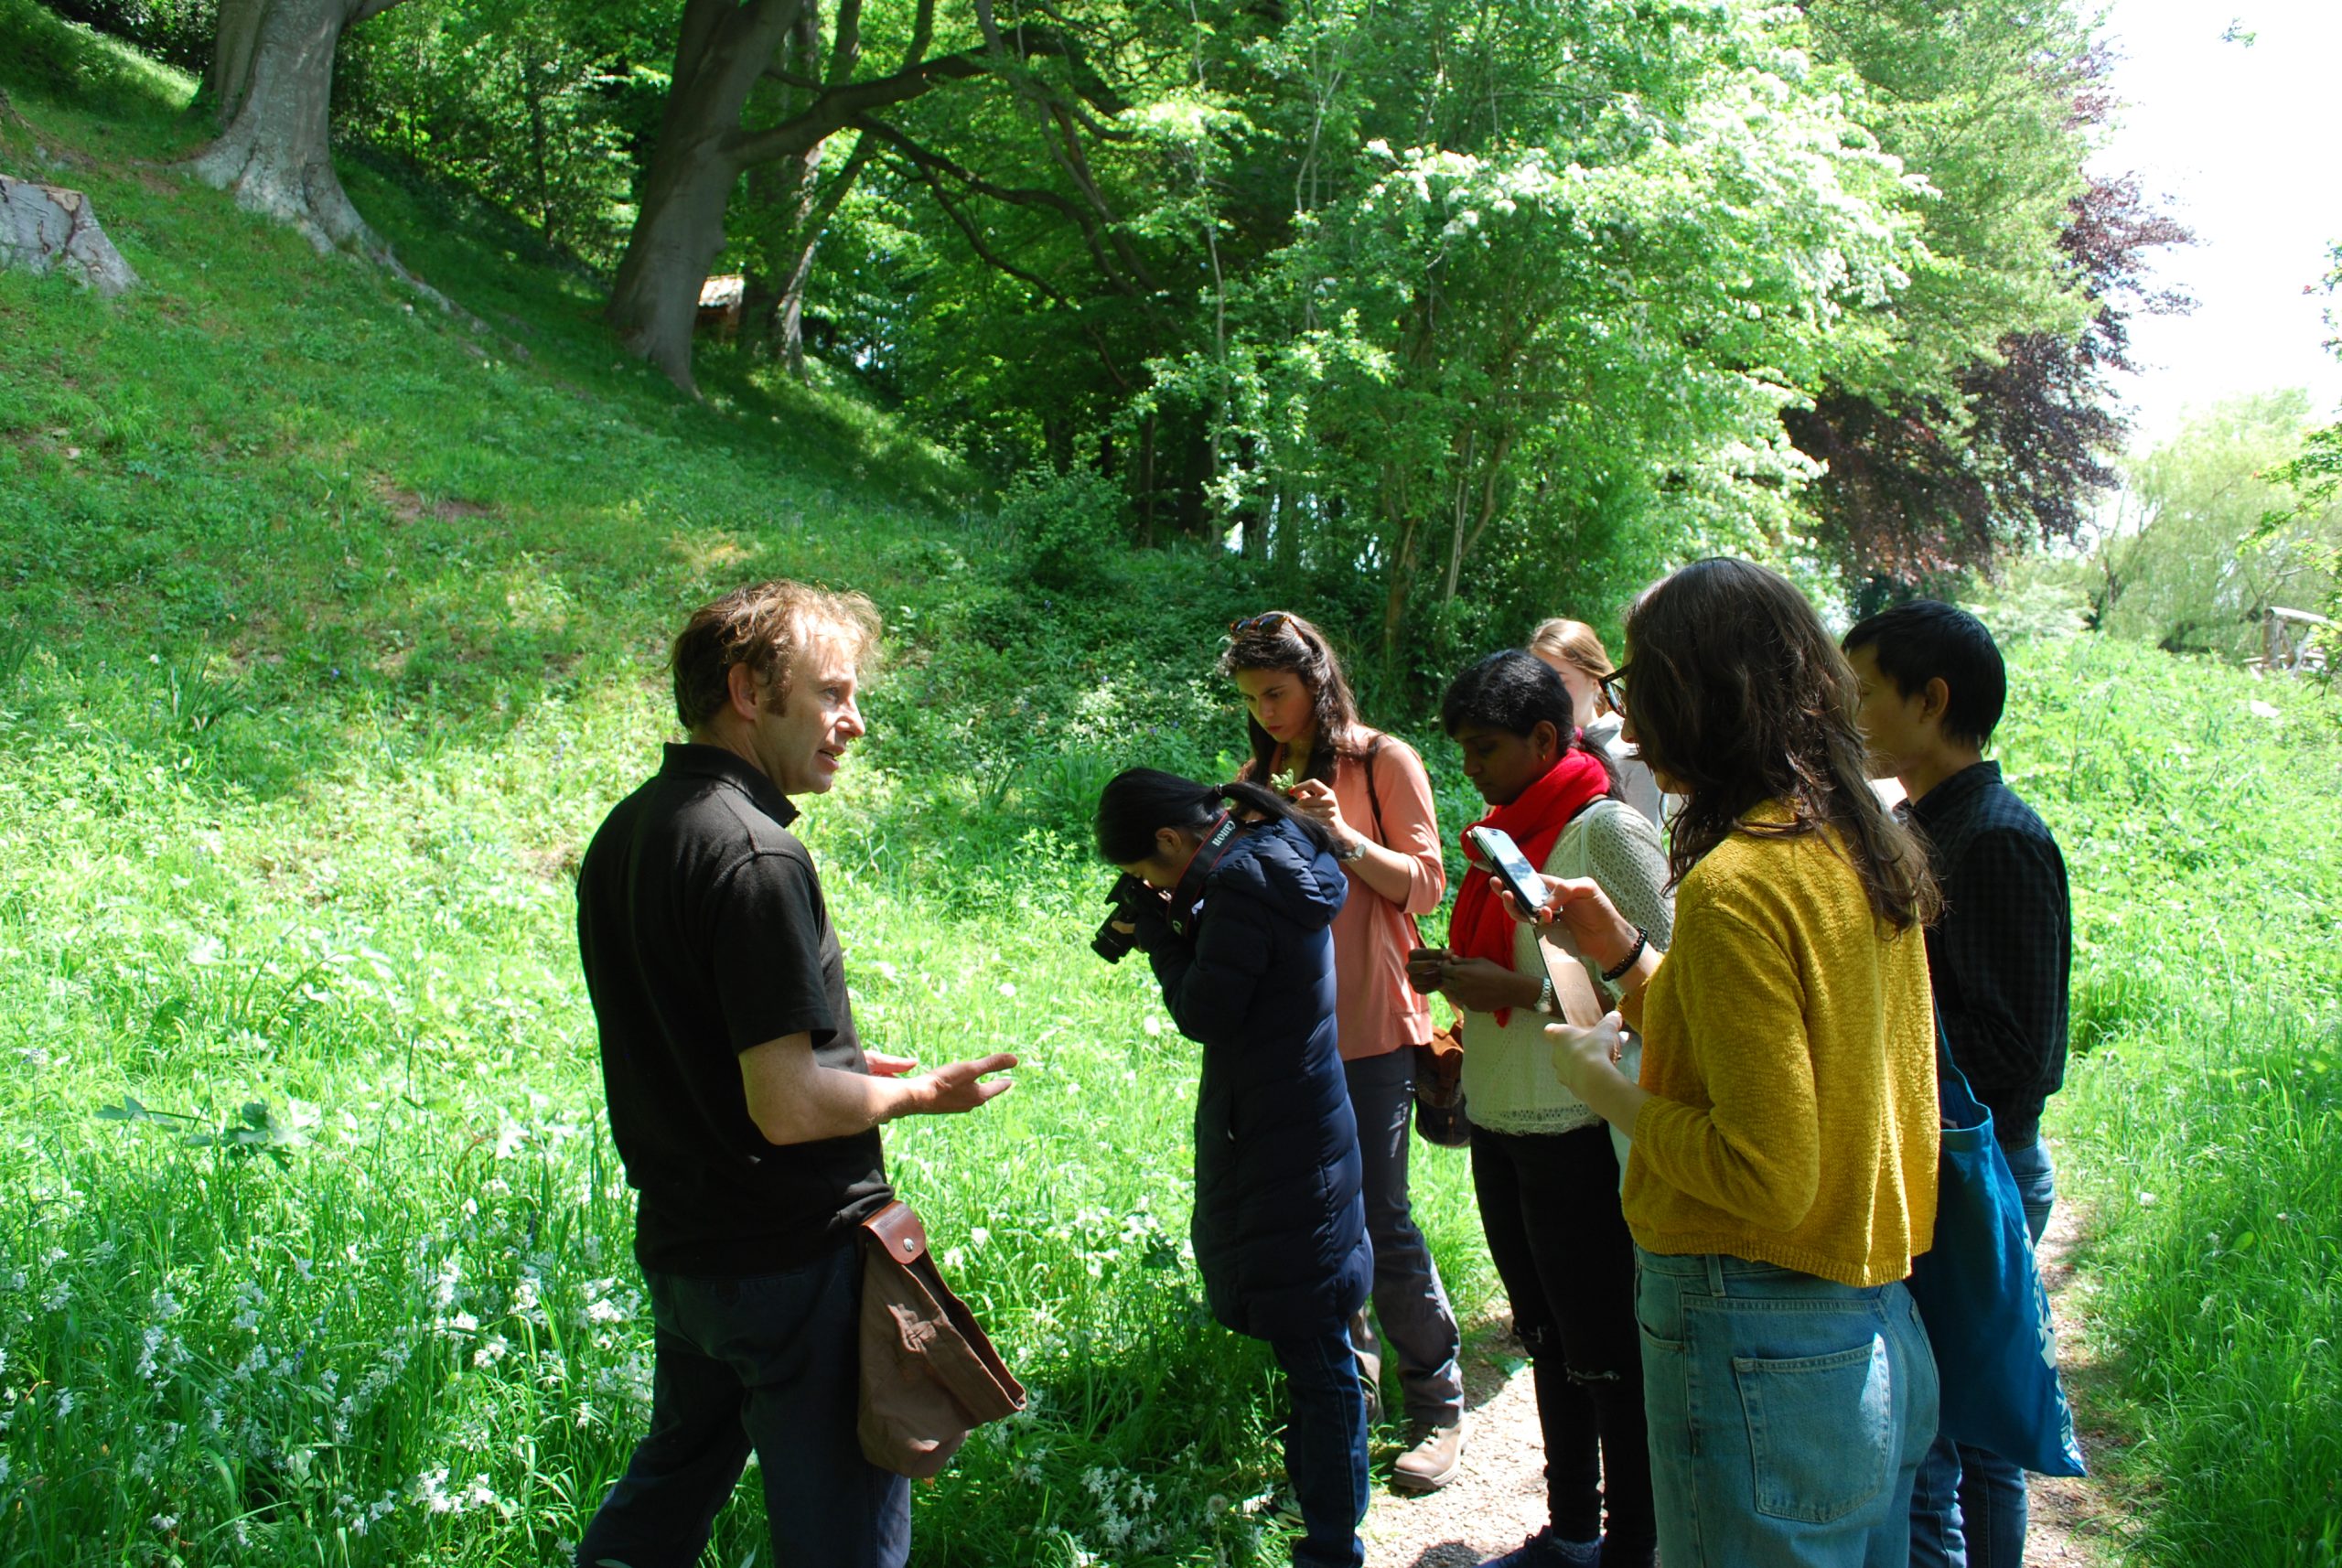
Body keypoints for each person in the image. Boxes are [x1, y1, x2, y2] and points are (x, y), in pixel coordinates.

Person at [573, 581, 1017, 1568]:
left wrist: (841, 1064)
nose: (852, 723)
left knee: (664, 1500)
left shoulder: (629, 832)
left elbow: (704, 1043)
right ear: (747, 690)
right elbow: (785, 1105)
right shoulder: (756, 856)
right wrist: (912, 1094)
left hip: (692, 1255)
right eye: (831, 694)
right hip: (790, 1261)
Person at [1514, 557, 1943, 1568]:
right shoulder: (1853, 841)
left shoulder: (1739, 881)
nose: (1620, 719)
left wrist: (1605, 1087)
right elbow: (1780, 1052)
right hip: (1868, 1320)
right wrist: (1624, 956)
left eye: (1635, 685)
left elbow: (1762, 1169)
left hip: (1756, 1329)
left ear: (1702, 692)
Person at [1409, 650, 1670, 1568]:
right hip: (1503, 1119)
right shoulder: (1499, 833)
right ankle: (1568, 1534)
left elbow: (1670, 991)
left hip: (1577, 1130)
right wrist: (1458, 974)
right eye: (1463, 750)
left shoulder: (1603, 831)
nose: (1470, 768)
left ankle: (1634, 1545)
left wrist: (1510, 982)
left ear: (1546, 738)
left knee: (1608, 1357)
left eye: (1485, 748)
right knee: (1549, 1341)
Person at [1096, 768, 1375, 1568]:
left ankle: (1332, 1546)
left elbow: (1205, 1012)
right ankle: (1329, 1521)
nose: (1151, 886)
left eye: (1152, 872)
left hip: (1287, 1144)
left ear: (1171, 841)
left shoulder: (1244, 885)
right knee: (1317, 1343)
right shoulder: (1273, 843)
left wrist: (1155, 933)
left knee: (1317, 1354)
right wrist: (1176, 911)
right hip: (1302, 1124)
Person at [1842, 600, 2071, 1568]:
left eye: (1861, 695)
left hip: (1974, 1168)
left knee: (1962, 1444)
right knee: (1928, 1435)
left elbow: (2020, 1055)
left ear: (1930, 700)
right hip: (1928, 1158)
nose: (1845, 715)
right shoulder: (1916, 824)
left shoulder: (1997, 839)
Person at [1219, 612, 1467, 1490]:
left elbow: (1427, 887)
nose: (1267, 712)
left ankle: (1438, 1404)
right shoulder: (1258, 777)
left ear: (1317, 683)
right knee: (1322, 1230)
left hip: (1371, 1023)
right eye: (1251, 698)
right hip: (1289, 1034)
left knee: (1380, 1216)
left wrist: (1343, 837)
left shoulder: (1381, 762)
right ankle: (1346, 1404)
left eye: (1277, 693)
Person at [1527, 618, 1665, 829]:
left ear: (1593, 679)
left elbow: (1645, 850)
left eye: (1559, 681)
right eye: (1537, 681)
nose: (1545, 692)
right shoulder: (1530, 750)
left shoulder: (1630, 754)